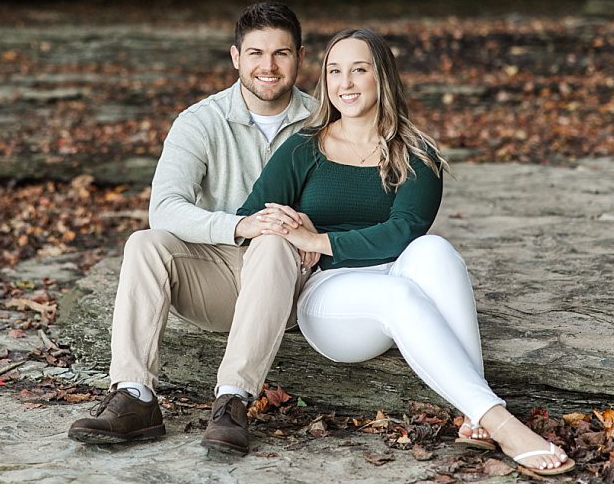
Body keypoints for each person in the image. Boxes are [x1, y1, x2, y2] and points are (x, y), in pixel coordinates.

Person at [236, 27, 576, 475]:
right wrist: (291, 225)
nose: (346, 83)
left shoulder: (416, 152)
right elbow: (250, 216)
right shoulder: (303, 147)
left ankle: (474, 414)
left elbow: (404, 232)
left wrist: (319, 240)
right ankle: (503, 423)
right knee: (400, 296)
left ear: (382, 77)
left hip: (394, 271)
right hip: (328, 299)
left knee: (433, 248)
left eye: (359, 70)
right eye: (335, 71)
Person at [68, 0, 319, 456]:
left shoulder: (324, 121)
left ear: (300, 57)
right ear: (235, 57)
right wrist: (241, 224)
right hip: (220, 277)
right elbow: (164, 208)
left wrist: (310, 231)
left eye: (281, 53)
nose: (268, 65)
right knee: (145, 244)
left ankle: (233, 400)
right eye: (256, 53)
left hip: (298, 282)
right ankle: (134, 396)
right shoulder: (200, 121)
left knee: (273, 243)